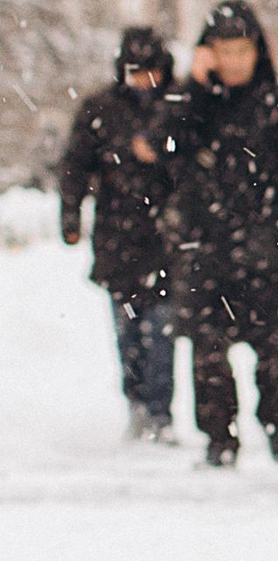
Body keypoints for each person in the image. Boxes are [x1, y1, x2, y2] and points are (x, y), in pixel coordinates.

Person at [162, 0, 278, 466]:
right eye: (222, 51)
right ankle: (219, 439)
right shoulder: (193, 106)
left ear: (257, 52)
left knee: (274, 351)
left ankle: (275, 425)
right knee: (208, 353)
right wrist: (194, 85)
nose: (232, 61)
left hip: (265, 254)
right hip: (205, 252)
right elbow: (159, 147)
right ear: (207, 53)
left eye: (241, 50)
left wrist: (276, 225)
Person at [59, 26, 185, 442]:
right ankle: (135, 400)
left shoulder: (179, 106)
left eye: (151, 72)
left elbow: (194, 165)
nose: (144, 81)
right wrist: (71, 217)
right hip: (118, 237)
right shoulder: (101, 109)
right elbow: (76, 166)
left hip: (166, 237)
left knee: (164, 327)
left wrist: (162, 155)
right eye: (136, 73)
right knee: (129, 330)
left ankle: (160, 410)